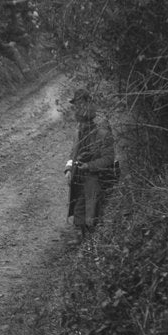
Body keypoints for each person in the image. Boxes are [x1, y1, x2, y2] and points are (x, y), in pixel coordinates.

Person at [65, 89, 116, 241]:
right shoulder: (79, 129)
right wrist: (68, 169)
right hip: (80, 177)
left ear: (88, 104)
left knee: (92, 213)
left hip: (98, 178)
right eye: (76, 105)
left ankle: (92, 244)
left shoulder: (102, 130)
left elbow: (108, 159)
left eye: (80, 104)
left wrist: (89, 166)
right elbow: (73, 152)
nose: (77, 109)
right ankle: (84, 240)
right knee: (79, 210)